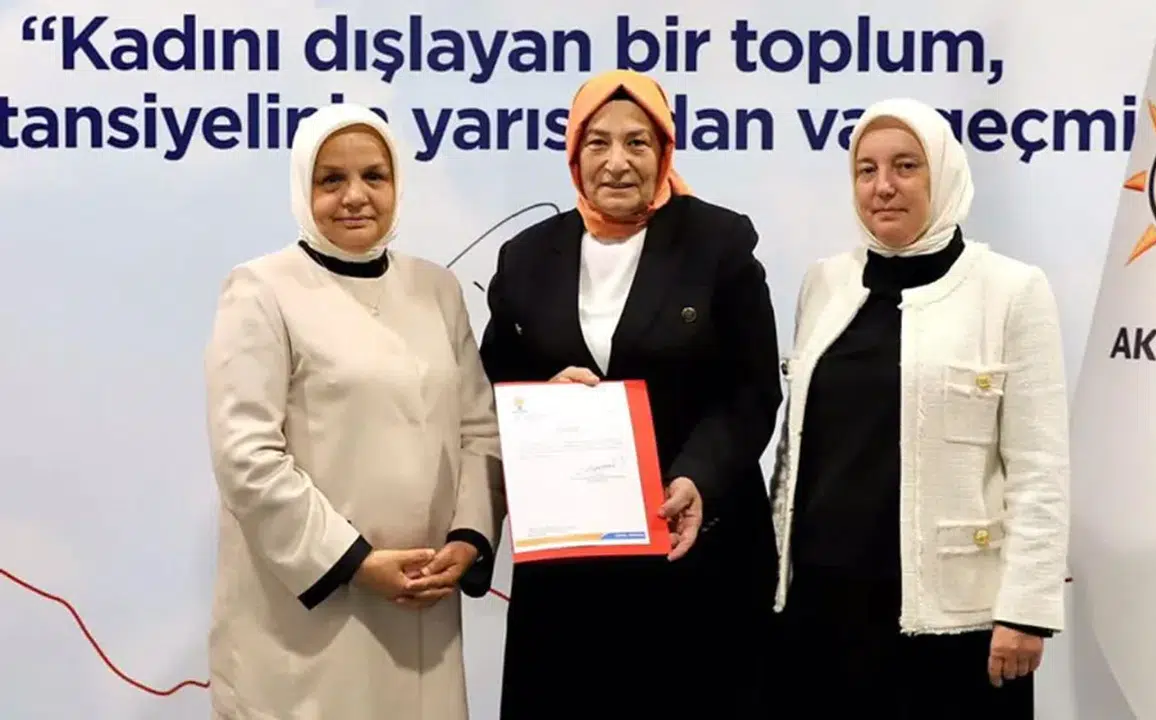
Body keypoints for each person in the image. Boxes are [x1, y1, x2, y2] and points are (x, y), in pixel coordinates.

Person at [479, 69, 783, 719]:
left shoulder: (721, 244)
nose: (617, 162)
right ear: (573, 152)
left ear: (664, 150)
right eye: (598, 142)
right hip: (568, 573)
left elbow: (752, 390)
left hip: (694, 552)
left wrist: (697, 477)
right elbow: (490, 387)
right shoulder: (525, 258)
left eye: (637, 142)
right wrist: (539, 397)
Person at [769, 97, 1070, 718]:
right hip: (823, 607)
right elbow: (797, 450)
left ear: (944, 173)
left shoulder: (1011, 290)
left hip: (954, 623)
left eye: (906, 166)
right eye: (867, 169)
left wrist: (1026, 611)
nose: (883, 186)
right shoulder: (824, 282)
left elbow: (1040, 468)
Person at [202, 104, 503, 720]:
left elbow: (479, 428)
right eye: (331, 179)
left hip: (423, 607)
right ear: (302, 187)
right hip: (308, 618)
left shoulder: (437, 289)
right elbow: (247, 457)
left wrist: (468, 539)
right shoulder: (261, 289)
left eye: (374, 176)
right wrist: (355, 562)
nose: (355, 196)